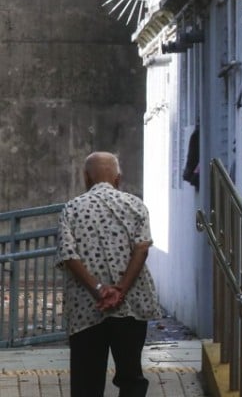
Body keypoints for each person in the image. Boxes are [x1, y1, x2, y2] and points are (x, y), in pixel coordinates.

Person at [57, 152, 162, 397]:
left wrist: (99, 289)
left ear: (86, 177)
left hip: (86, 307)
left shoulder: (71, 209)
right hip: (131, 304)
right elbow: (142, 248)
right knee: (131, 376)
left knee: (86, 381)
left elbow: (68, 254)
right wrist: (121, 289)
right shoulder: (136, 205)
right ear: (118, 179)